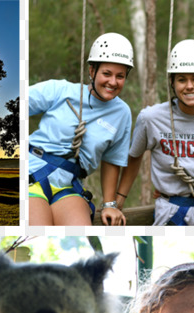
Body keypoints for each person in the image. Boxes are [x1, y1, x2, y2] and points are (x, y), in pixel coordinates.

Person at [116, 39, 194, 226]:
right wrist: (118, 201)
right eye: (182, 79)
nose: (189, 86)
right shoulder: (151, 118)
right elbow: (134, 156)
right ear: (172, 82)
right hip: (173, 210)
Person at [28, 32, 133, 226]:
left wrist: (110, 204)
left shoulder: (122, 113)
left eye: (120, 76)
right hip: (31, 174)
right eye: (107, 74)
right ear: (92, 71)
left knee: (79, 229)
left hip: (69, 185)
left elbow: (112, 160)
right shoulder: (61, 91)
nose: (113, 82)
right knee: (37, 227)